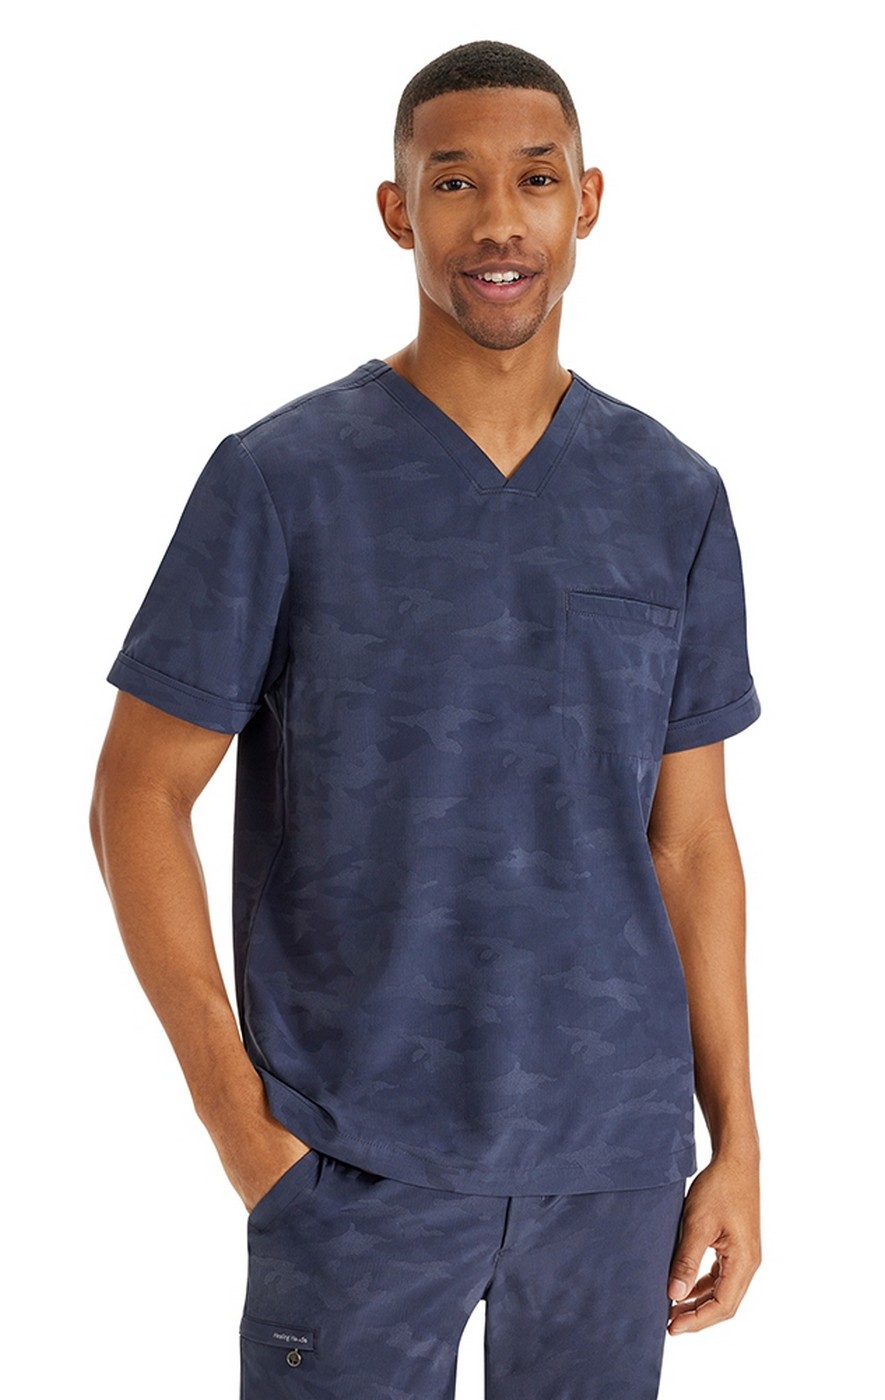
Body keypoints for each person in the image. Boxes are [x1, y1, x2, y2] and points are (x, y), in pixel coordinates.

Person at [90, 39, 762, 1400]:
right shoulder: (282, 480)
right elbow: (136, 795)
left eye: (535, 179)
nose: (498, 220)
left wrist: (733, 1140)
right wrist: (240, 1123)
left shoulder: (671, 496)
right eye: (454, 183)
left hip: (613, 1166)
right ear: (398, 212)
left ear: (587, 201)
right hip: (351, 1161)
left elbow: (690, 841)